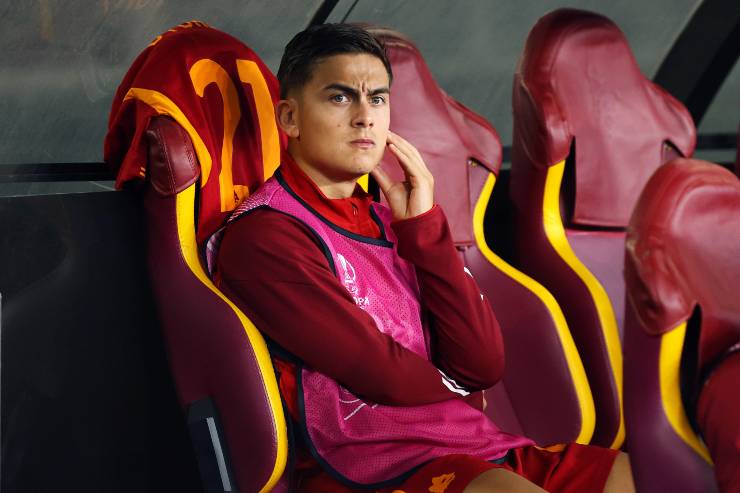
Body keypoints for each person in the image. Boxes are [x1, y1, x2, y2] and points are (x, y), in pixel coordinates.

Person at [214, 23, 635, 493]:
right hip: (376, 463)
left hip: (472, 445)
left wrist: (427, 232)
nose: (364, 117)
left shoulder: (392, 221)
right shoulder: (267, 236)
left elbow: (483, 363)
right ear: (290, 118)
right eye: (340, 97)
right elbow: (384, 375)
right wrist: (456, 383)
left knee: (634, 476)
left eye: (377, 98)